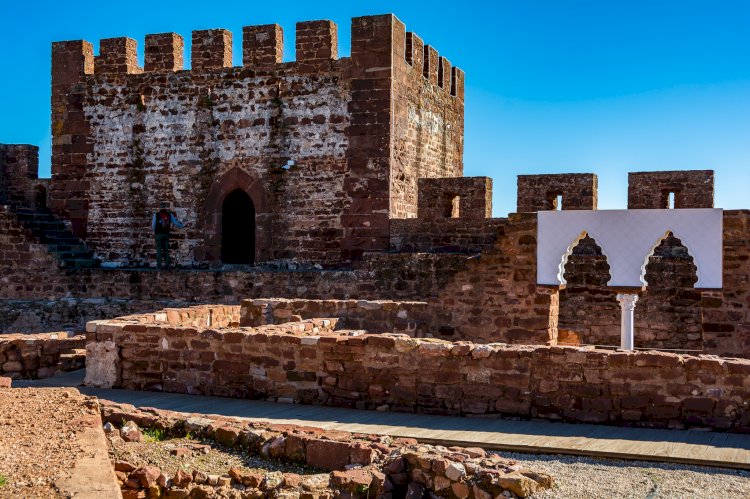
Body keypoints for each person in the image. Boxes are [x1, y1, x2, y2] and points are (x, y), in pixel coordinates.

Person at [151, 202, 184, 269]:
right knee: (166, 249)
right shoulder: (169, 215)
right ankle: (167, 265)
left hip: (158, 234)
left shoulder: (156, 215)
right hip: (166, 234)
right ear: (166, 208)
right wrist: (182, 225)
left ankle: (159, 266)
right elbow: (176, 223)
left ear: (159, 208)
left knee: (159, 249)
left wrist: (156, 232)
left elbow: (153, 226)